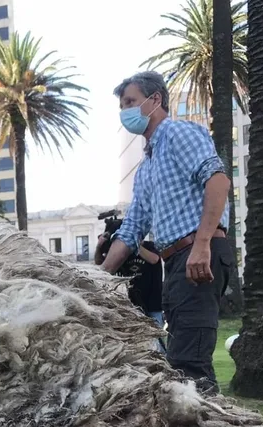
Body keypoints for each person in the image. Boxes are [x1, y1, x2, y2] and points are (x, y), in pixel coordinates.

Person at [99, 71, 233, 394]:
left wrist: (202, 245)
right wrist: (98, 278)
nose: (125, 111)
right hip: (173, 265)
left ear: (155, 100)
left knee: (190, 366)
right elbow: (131, 230)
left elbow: (218, 181)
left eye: (130, 101)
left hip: (198, 255)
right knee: (180, 361)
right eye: (122, 105)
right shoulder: (146, 167)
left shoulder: (179, 134)